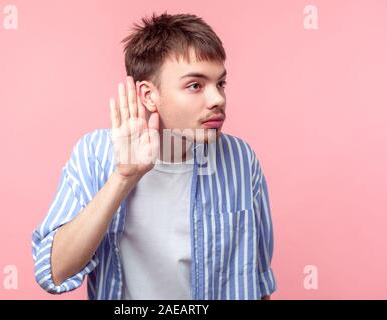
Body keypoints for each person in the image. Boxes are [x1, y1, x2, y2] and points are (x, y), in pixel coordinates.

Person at [32, 12, 276, 300]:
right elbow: (54, 271)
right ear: (149, 95)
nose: (217, 99)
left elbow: (257, 281)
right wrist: (123, 177)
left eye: (220, 84)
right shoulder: (95, 155)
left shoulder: (240, 159)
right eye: (195, 85)